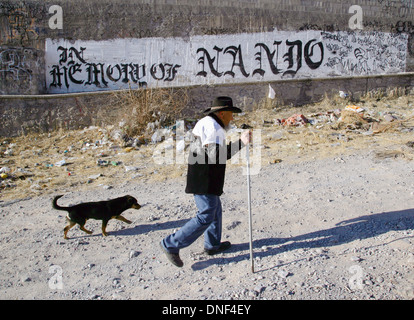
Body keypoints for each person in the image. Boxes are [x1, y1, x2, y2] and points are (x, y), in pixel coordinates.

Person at [160, 96, 251, 267]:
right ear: (222, 113)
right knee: (207, 213)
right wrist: (241, 143)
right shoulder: (212, 125)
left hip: (207, 175)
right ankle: (170, 244)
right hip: (204, 177)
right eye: (231, 114)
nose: (232, 118)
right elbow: (216, 155)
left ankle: (212, 245)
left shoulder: (211, 123)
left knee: (215, 209)